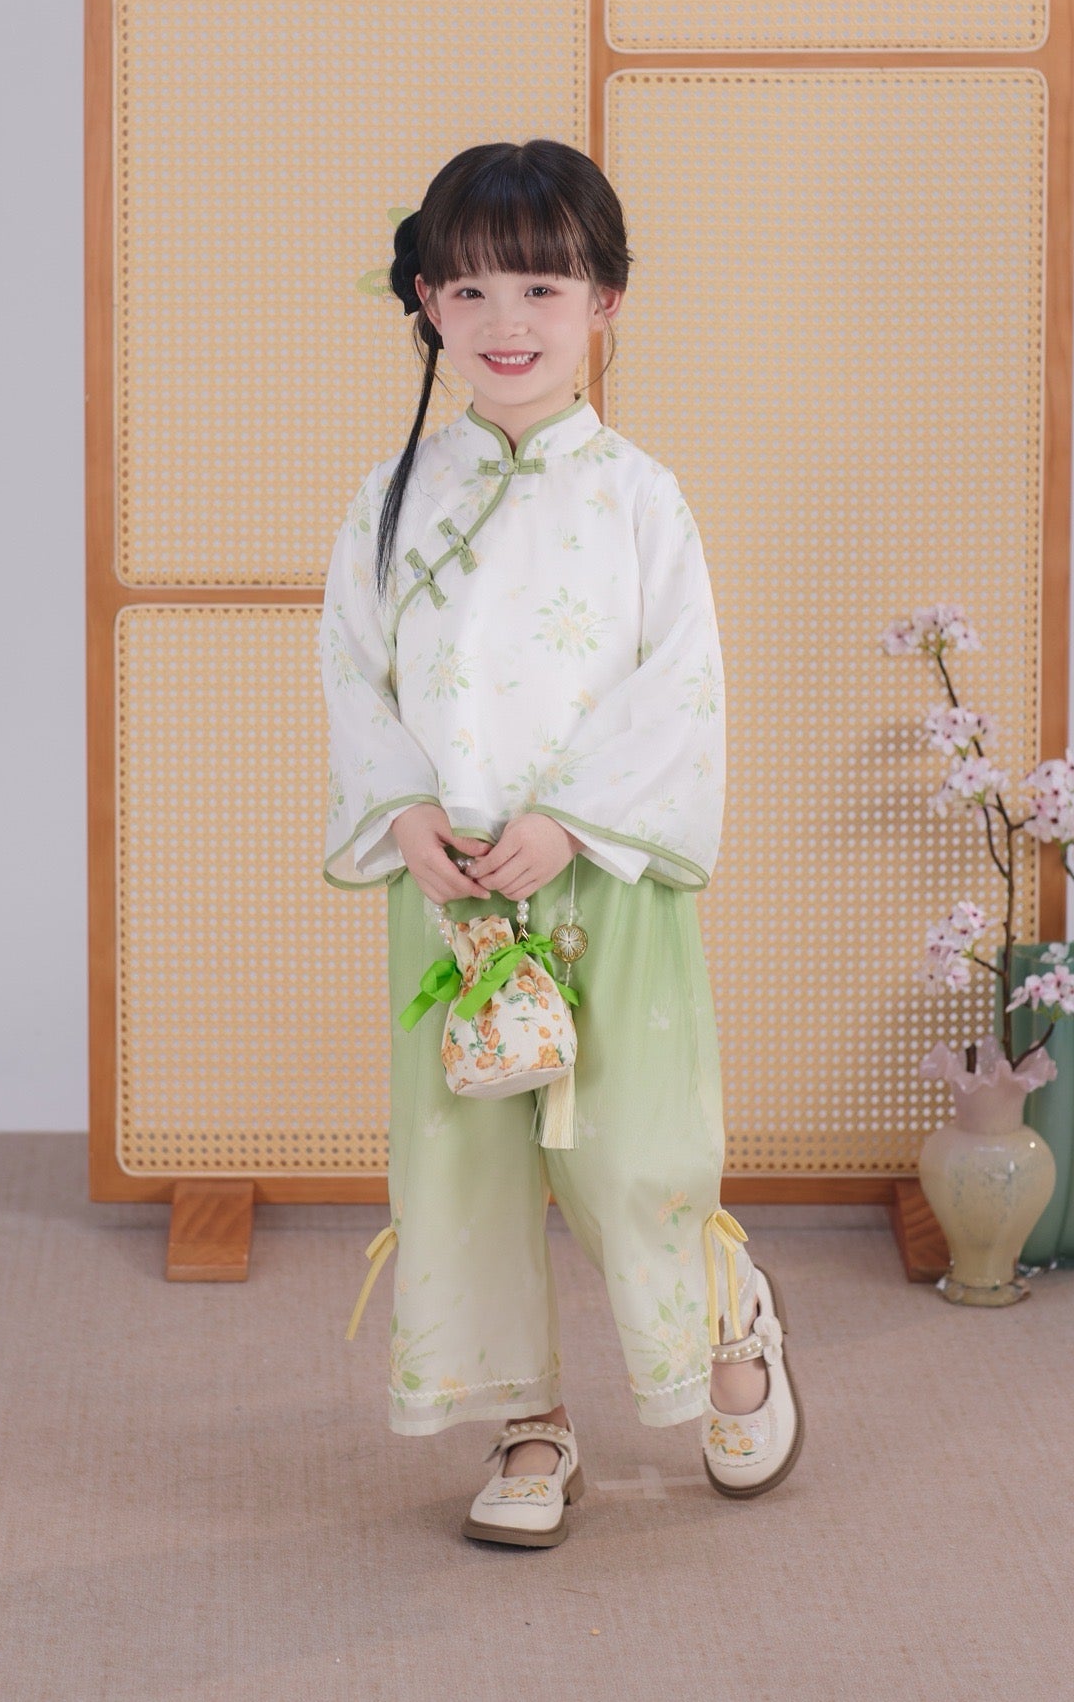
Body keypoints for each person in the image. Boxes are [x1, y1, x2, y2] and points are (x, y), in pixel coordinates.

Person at [319, 140, 803, 1545]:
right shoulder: (391, 497)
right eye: (471, 289)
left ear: (605, 301)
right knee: (464, 1165)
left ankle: (726, 1323)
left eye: (543, 285)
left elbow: (682, 684)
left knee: (632, 1147)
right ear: (427, 303)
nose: (507, 321)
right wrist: (405, 810)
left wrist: (573, 820)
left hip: (605, 874)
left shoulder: (641, 497)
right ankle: (526, 1420)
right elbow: (355, 672)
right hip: (453, 893)